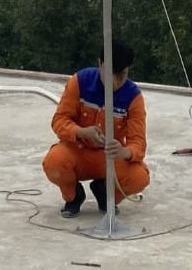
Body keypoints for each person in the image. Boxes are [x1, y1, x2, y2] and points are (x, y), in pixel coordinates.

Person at [42, 37, 150, 218]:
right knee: (54, 162)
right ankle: (73, 196)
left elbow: (138, 143)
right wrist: (81, 132)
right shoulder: (80, 81)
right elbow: (59, 120)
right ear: (100, 64)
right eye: (110, 74)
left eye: (122, 75)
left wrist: (124, 151)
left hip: (109, 158)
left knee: (140, 177)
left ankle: (105, 193)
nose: (115, 82)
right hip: (78, 151)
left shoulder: (133, 97)